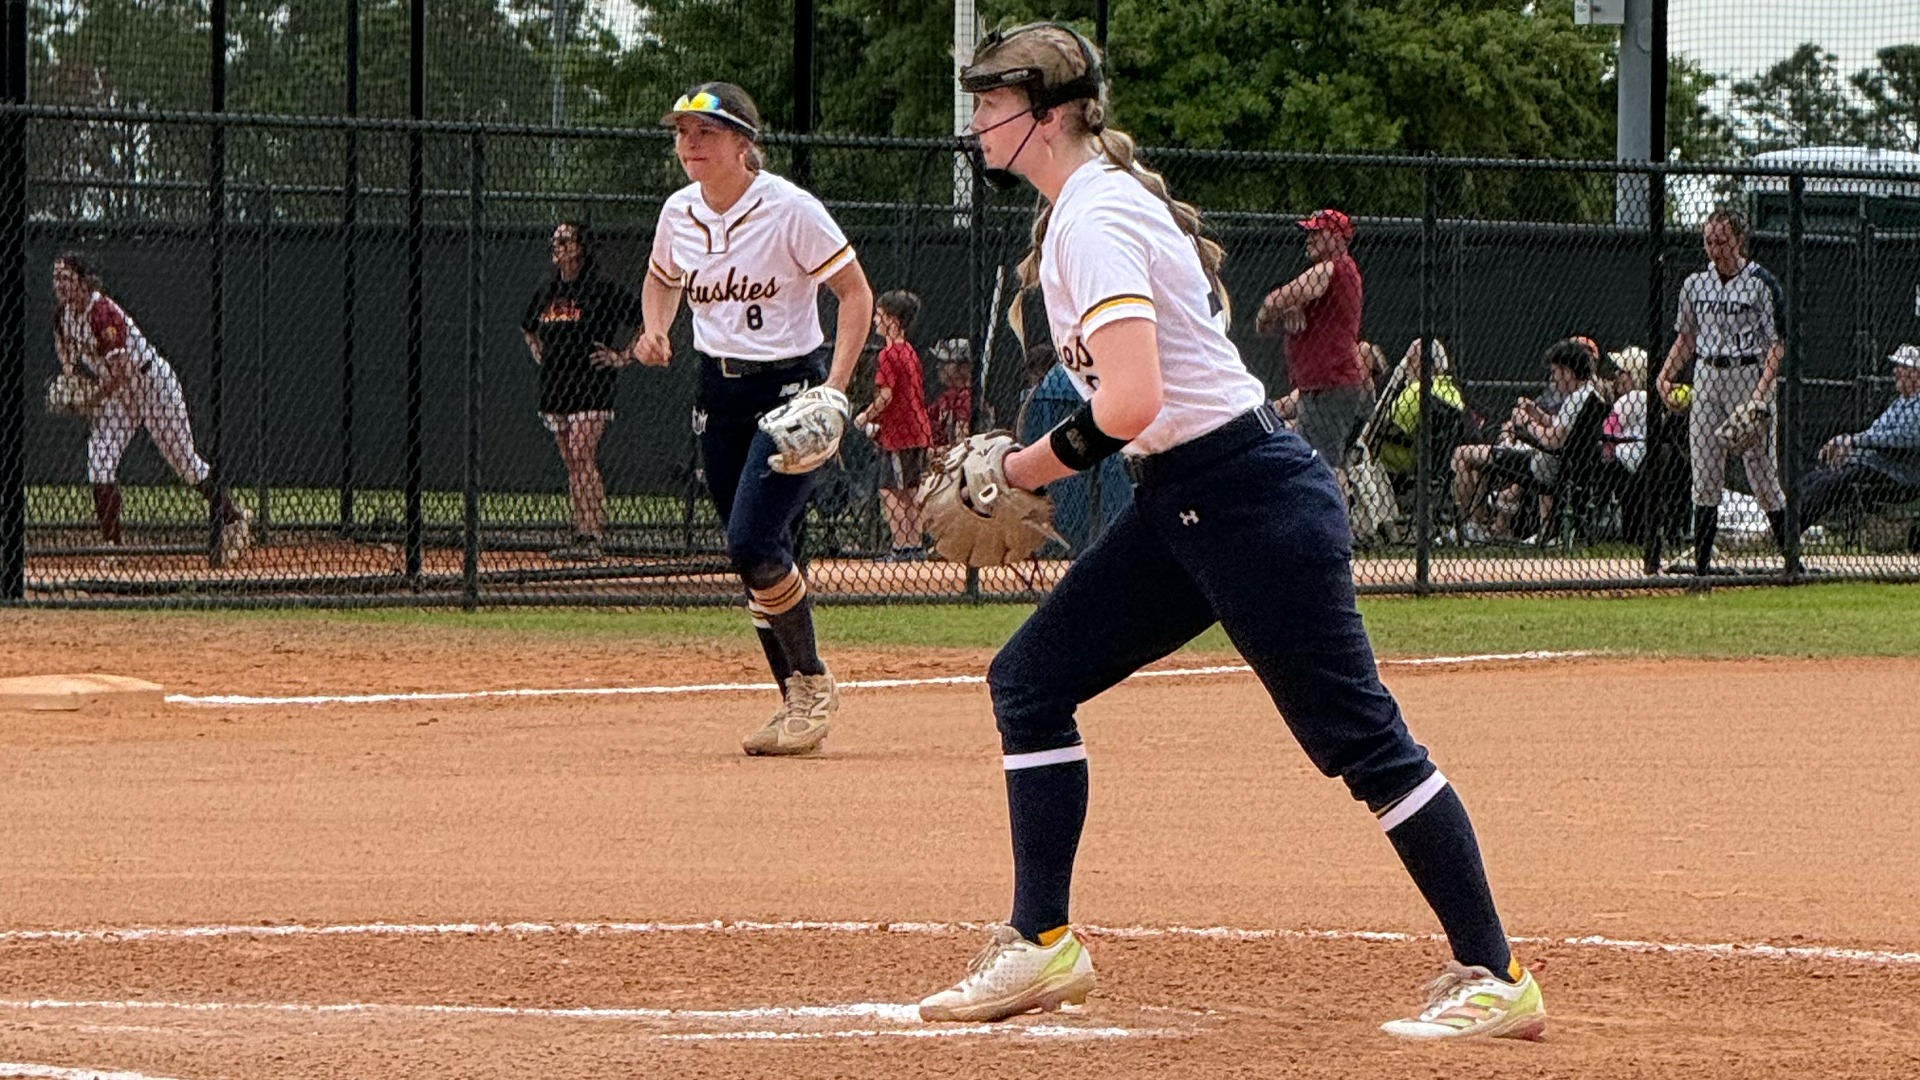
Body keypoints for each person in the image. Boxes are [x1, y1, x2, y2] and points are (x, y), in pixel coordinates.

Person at [915, 22, 1545, 1041]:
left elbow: (1129, 400)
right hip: (1187, 499)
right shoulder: (1084, 210)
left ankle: (1497, 972)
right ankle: (1042, 944)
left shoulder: (1094, 219)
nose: (977, 122)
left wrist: (1013, 470)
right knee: (1029, 682)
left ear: (1049, 114)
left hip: (1248, 501)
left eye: (991, 103)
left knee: (1362, 742)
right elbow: (1142, 417)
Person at [628, 82, 874, 757]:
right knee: (758, 558)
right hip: (718, 391)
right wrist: (656, 328)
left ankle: (812, 685)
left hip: (789, 390)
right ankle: (795, 701)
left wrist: (836, 389)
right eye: (681, 134)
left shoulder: (789, 209)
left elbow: (854, 292)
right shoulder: (679, 212)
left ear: (744, 143)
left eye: (704, 133)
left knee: (753, 544)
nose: (689, 146)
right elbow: (660, 276)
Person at [51, 252, 250, 568]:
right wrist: (71, 376)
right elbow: (64, 345)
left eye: (66, 277)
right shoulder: (64, 315)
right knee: (99, 461)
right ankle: (113, 549)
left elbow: (120, 372)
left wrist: (90, 401)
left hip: (151, 383)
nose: (59, 284)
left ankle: (233, 519)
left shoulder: (101, 313)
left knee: (185, 464)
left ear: (83, 281)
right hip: (118, 395)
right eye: (56, 277)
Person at [1658, 207, 1789, 576]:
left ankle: (1791, 558)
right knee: (1705, 472)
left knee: (1762, 475)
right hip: (1707, 376)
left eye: (1721, 241)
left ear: (1738, 240)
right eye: (1709, 241)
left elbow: (1776, 344)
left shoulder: (1761, 282)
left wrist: (1761, 393)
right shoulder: (1695, 285)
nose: (1714, 249)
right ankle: (1702, 566)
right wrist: (1664, 376)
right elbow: (1686, 337)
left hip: (1747, 374)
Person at [521, 221, 642, 562]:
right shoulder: (549, 289)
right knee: (571, 459)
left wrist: (621, 356)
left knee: (581, 450)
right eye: (554, 240)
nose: (556, 245)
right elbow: (528, 326)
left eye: (563, 240)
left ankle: (593, 533)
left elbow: (642, 319)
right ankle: (580, 528)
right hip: (556, 384)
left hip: (591, 382)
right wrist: (539, 351)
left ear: (579, 247)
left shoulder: (601, 289)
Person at [1255, 207, 1370, 493]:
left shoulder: (1335, 266)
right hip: (1318, 385)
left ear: (1337, 236)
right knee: (1311, 457)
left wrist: (1276, 304)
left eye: (1316, 233)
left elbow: (1274, 302)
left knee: (1327, 463)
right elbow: (1271, 320)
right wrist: (1288, 305)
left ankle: (1338, 529)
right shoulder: (1329, 274)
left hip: (1331, 383)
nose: (1309, 238)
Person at [1450, 339, 1600, 541]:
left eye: (1555, 372)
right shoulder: (1588, 395)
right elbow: (1563, 429)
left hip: (1543, 465)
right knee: (1479, 457)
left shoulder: (1575, 400)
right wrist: (1538, 414)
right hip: (1559, 463)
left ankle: (1469, 525)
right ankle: (1477, 523)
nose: (1553, 379)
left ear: (1568, 372)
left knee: (1463, 455)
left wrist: (1526, 422)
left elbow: (1553, 440)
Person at [1796, 344, 1920, 536]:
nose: (1895, 371)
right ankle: (1786, 525)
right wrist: (1851, 446)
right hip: (1877, 464)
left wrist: (1854, 442)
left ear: (1915, 374)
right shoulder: (1899, 403)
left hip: (1901, 473)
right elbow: (1874, 432)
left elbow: (1904, 438)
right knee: (1817, 476)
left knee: (1835, 481)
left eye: (1901, 367)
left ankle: (1792, 530)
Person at [853, 290, 933, 561]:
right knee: (910, 491)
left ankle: (902, 546)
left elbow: (886, 395)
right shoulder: (909, 352)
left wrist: (865, 416)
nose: (876, 320)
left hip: (901, 434)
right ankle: (914, 545)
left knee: (890, 490)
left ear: (894, 322)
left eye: (880, 315)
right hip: (917, 430)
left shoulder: (889, 354)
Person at [927, 338, 975, 449]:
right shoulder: (947, 396)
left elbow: (961, 445)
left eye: (945, 362)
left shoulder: (965, 398)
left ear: (961, 366)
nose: (938, 366)